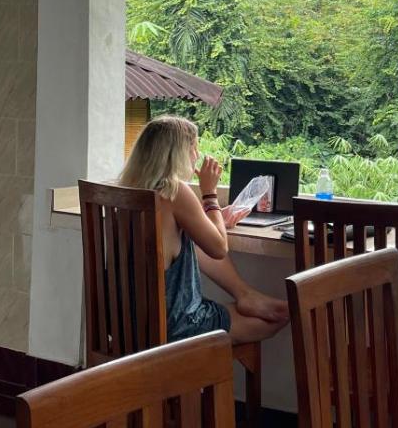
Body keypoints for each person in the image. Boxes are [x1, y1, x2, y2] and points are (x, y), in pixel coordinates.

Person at [118, 115, 289, 343]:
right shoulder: (175, 191)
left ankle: (246, 295)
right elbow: (219, 248)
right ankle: (246, 295)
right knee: (276, 317)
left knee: (191, 240)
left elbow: (177, 235)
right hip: (172, 326)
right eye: (194, 148)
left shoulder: (128, 191)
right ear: (177, 154)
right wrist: (210, 194)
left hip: (123, 323)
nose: (197, 155)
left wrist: (215, 219)